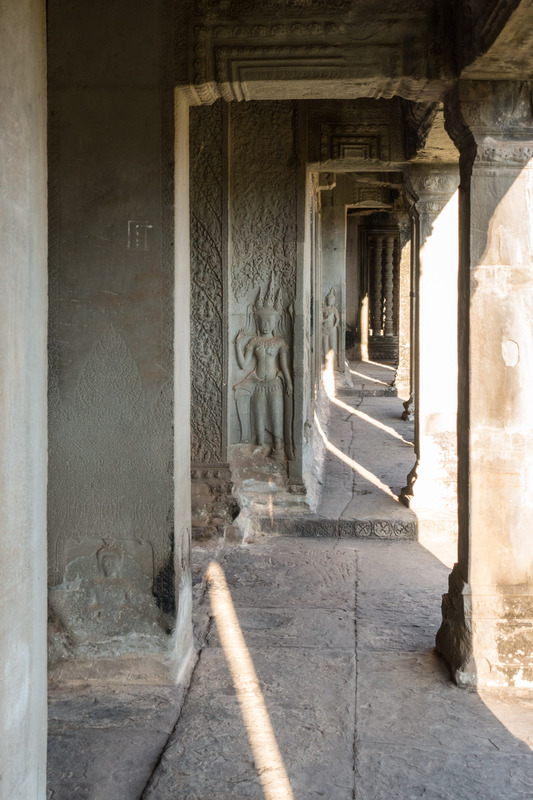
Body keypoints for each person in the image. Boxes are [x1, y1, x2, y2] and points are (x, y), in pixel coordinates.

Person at [234, 282, 293, 461]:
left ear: (275, 322)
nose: (266, 325)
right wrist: (237, 345)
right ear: (258, 322)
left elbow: (283, 365)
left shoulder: (280, 342)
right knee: (258, 419)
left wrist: (289, 382)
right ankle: (259, 450)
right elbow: (244, 365)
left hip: (274, 384)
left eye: (270, 321)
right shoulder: (254, 341)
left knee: (276, 417)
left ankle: (278, 448)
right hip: (258, 384)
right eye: (262, 321)